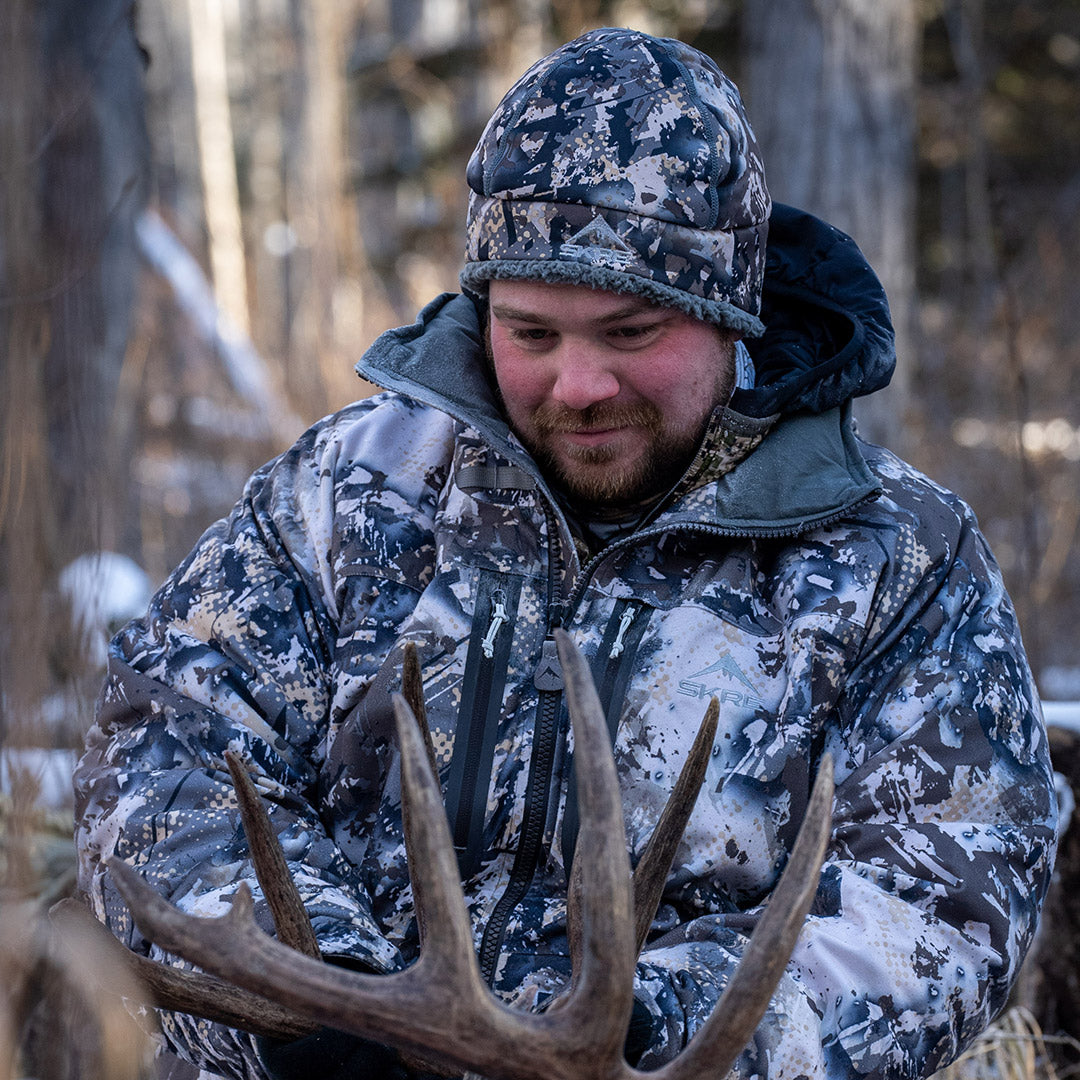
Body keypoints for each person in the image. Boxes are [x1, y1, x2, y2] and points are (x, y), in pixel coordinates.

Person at [74, 26, 1058, 1080]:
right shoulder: (347, 491)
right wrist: (327, 1018)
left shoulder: (899, 561)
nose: (576, 384)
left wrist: (649, 1034)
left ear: (735, 314)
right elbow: (167, 746)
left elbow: (944, 901)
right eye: (531, 333)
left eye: (630, 333)